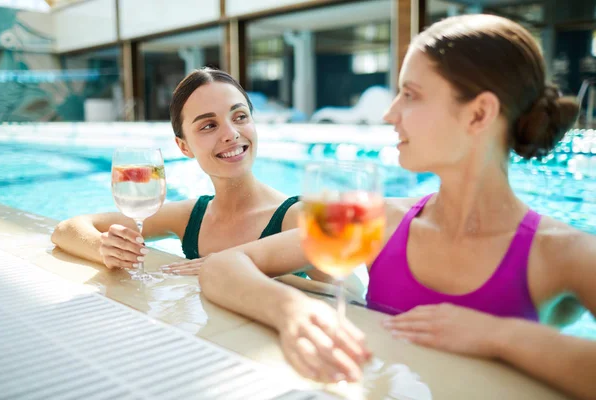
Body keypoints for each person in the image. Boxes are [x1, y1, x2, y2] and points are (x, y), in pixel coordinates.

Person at [197, 14, 596, 400]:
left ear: (478, 114)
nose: (390, 114)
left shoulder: (562, 252)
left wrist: (501, 336)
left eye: (411, 94)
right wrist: (292, 313)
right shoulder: (381, 221)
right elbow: (221, 267)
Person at [51, 68, 329, 283]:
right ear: (184, 146)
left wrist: (243, 269)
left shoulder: (296, 217)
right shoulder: (191, 217)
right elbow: (67, 229)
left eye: (240, 116)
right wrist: (104, 248)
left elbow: (349, 296)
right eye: (209, 125)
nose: (231, 133)